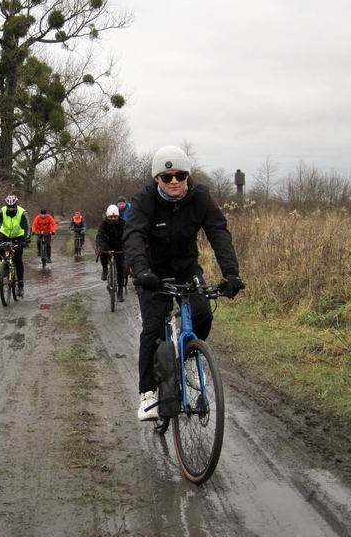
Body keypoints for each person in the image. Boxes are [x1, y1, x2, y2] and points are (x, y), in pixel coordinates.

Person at [124, 145, 244, 421]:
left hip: (186, 267)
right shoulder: (144, 201)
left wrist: (231, 273)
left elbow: (218, 232)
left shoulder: (200, 197)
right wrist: (141, 271)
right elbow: (134, 236)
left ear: (188, 175)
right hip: (152, 272)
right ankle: (147, 394)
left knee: (202, 314)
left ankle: (187, 358)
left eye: (180, 175)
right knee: (153, 327)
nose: (175, 181)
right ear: (157, 179)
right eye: (167, 177)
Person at [0, 195, 31, 296]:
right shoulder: (1, 212)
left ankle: (20, 285)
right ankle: (4, 268)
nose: (11, 209)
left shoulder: (22, 213)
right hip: (5, 235)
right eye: (9, 207)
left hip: (18, 236)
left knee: (18, 259)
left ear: (16, 205)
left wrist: (26, 240)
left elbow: (28, 227)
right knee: (1, 251)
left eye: (13, 207)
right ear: (6, 206)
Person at [96, 204, 127, 302]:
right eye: (111, 217)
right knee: (102, 253)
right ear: (107, 216)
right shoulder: (103, 224)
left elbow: (128, 236)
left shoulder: (123, 224)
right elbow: (100, 237)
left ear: (118, 216)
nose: (113, 219)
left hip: (119, 247)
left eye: (115, 217)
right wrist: (104, 247)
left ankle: (120, 290)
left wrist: (126, 247)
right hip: (107, 245)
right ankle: (105, 269)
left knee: (121, 268)